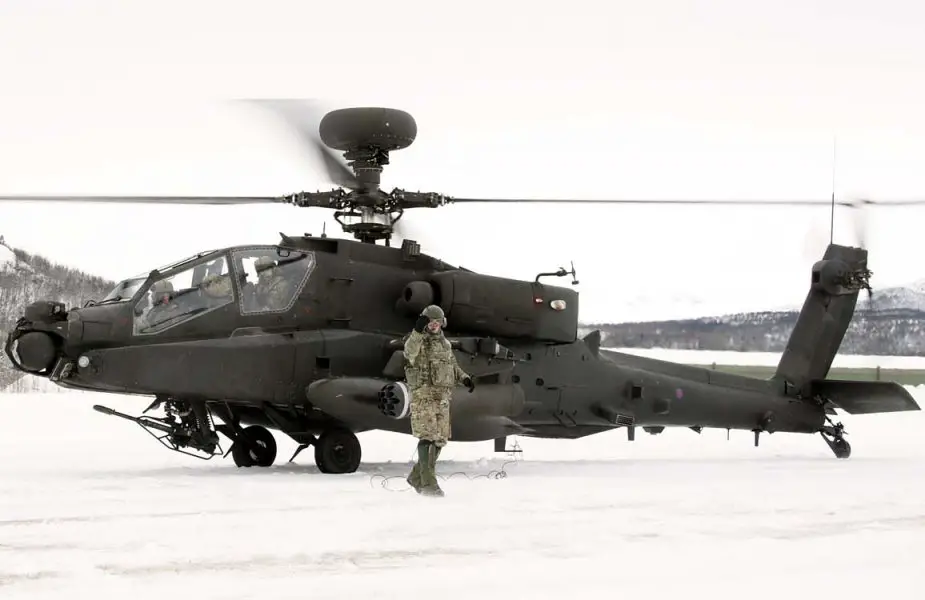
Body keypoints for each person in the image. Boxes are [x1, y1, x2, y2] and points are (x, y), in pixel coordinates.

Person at [403, 304, 475, 496]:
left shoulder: (444, 344)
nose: (434, 326)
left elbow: (452, 365)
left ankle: (416, 477)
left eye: (437, 322)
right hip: (424, 395)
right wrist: (417, 332)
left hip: (442, 397)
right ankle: (428, 484)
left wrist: (465, 378)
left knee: (440, 439)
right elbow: (409, 353)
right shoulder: (417, 341)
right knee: (427, 436)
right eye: (430, 322)